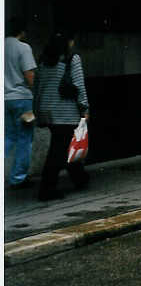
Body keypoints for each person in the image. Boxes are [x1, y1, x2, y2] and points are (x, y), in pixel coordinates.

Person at [34, 30, 90, 201]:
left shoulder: (43, 60)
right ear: (69, 42)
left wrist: (36, 109)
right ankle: (47, 189)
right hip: (65, 112)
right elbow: (79, 85)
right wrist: (85, 108)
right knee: (58, 150)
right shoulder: (71, 59)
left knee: (63, 145)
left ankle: (80, 178)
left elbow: (37, 87)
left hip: (47, 111)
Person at [5, 17, 37, 189]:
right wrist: (36, 93)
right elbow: (29, 75)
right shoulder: (23, 48)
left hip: (4, 99)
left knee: (8, 137)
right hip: (22, 99)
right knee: (25, 139)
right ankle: (18, 178)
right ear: (22, 31)